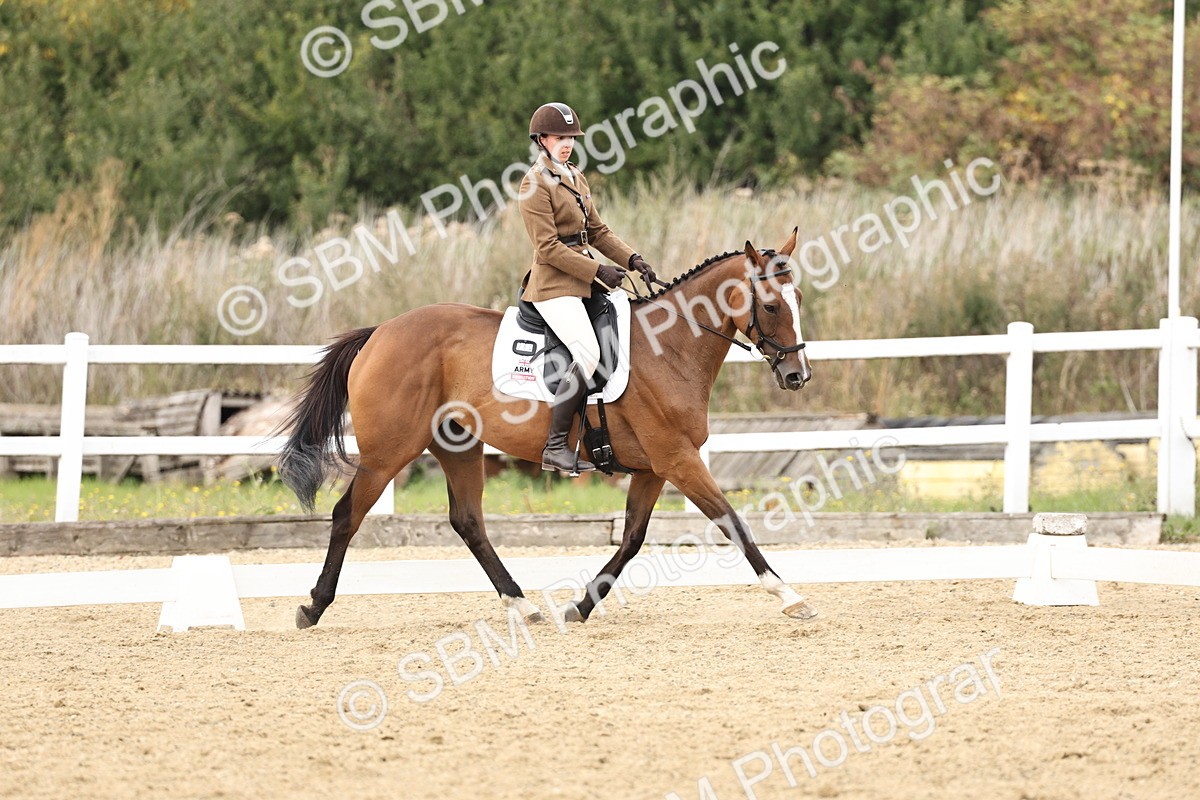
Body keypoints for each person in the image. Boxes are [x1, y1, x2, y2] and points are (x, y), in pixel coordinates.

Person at [518, 102, 657, 473]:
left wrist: (632, 260)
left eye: (571, 138)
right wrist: (598, 270)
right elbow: (547, 248)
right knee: (588, 352)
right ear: (541, 139)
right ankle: (556, 445)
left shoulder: (575, 175)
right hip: (553, 287)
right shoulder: (533, 184)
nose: (567, 144)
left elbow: (596, 231)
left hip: (583, 281)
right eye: (559, 138)